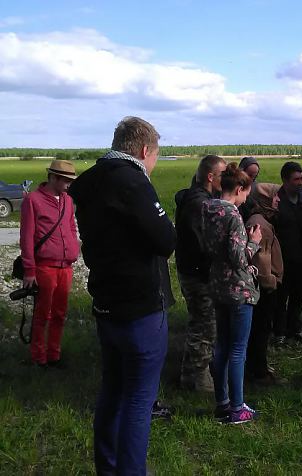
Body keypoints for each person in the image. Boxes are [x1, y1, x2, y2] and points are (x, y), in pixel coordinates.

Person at [69, 116, 176, 474]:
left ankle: (108, 465)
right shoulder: (133, 181)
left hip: (106, 300)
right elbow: (165, 240)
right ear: (145, 150)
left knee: (112, 391)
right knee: (139, 400)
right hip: (139, 306)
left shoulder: (89, 181)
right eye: (155, 156)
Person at [203, 163, 262, 424]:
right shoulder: (233, 215)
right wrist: (254, 242)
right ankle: (238, 408)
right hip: (238, 289)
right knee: (238, 349)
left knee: (222, 345)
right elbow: (239, 258)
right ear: (239, 189)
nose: (246, 198)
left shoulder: (207, 209)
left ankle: (222, 402)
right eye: (246, 193)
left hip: (217, 284)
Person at [19, 159, 80, 368]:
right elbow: (26, 237)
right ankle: (39, 356)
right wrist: (29, 269)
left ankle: (54, 354)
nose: (69, 184)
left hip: (66, 266)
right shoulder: (33, 200)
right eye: (65, 180)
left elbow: (71, 226)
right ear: (53, 177)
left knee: (60, 313)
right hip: (44, 266)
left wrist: (74, 246)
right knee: (42, 314)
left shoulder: (68, 200)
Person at [175, 155, 227, 393]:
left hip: (193, 271)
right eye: (222, 176)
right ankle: (195, 380)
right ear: (210, 176)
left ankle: (192, 374)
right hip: (197, 274)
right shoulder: (200, 204)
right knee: (205, 326)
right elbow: (202, 244)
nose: (224, 180)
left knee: (202, 323)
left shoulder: (198, 197)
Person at [245, 183, 286, 385]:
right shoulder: (258, 224)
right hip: (263, 289)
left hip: (263, 288)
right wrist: (271, 283)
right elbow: (260, 262)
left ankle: (257, 367)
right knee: (260, 330)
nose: (278, 200)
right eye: (275, 197)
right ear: (265, 200)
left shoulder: (262, 220)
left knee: (261, 329)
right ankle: (258, 373)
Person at [272, 161, 302, 345]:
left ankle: (295, 328)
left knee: (298, 295)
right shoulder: (276, 201)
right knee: (281, 297)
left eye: (301, 179)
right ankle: (279, 331)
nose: (300, 182)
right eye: (296, 179)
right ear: (285, 180)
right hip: (283, 258)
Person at [238, 156, 260, 220]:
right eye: (249, 175)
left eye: (254, 176)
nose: (251, 179)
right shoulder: (234, 186)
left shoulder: (257, 186)